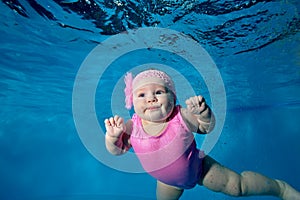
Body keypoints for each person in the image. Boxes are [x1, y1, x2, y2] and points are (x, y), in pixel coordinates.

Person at [104, 69, 300, 200]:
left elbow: (207, 128)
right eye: (141, 95)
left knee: (236, 188)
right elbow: (118, 151)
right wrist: (112, 138)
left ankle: (279, 188)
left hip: (201, 170)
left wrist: (204, 114)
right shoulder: (132, 126)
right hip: (166, 183)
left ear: (172, 97)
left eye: (159, 92)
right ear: (131, 102)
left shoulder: (180, 116)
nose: (151, 98)